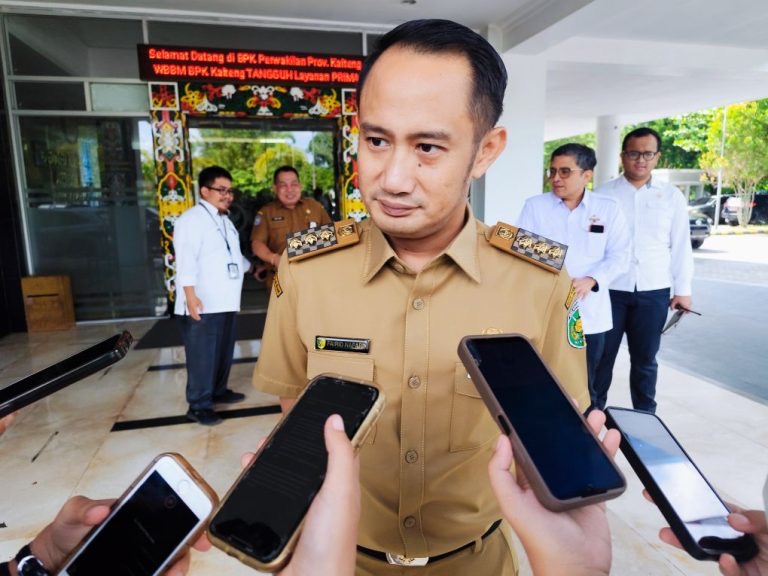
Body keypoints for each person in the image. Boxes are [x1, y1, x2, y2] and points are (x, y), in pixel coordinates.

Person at [252, 18, 588, 575]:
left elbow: (557, 432)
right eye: (376, 141)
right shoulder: (308, 270)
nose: (392, 179)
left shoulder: (539, 282)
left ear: (485, 151)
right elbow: (294, 411)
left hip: (478, 563)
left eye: (428, 147)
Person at [517, 144, 630, 408]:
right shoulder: (535, 206)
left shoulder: (608, 209)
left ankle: (589, 429)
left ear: (587, 175)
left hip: (590, 315)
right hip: (546, 311)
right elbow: (522, 250)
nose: (556, 178)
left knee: (589, 388)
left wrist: (592, 279)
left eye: (565, 172)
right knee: (544, 382)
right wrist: (553, 277)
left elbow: (621, 255)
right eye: (552, 171)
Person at [592, 127, 694, 413]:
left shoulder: (671, 196)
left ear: (657, 157)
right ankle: (591, 416)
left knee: (645, 361)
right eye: (634, 153)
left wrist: (683, 290)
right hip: (610, 290)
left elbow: (681, 245)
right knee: (601, 359)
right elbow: (592, 244)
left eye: (648, 154)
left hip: (653, 290)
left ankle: (645, 418)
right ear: (623, 156)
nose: (641, 160)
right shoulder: (603, 194)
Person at [173, 165, 248, 426]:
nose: (228, 195)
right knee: (202, 356)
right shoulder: (192, 219)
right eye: (221, 190)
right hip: (202, 303)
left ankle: (218, 391)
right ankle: (199, 405)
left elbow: (231, 256)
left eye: (230, 191)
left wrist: (253, 269)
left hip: (225, 301)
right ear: (204, 191)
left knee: (222, 352)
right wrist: (190, 296)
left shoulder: (224, 220)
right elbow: (185, 260)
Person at [250, 166, 332, 292]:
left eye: (294, 184)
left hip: (314, 277)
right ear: (275, 188)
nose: (290, 189)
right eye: (283, 185)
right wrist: (274, 258)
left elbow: (331, 234)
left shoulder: (315, 207)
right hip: (281, 278)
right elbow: (257, 243)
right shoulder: (266, 212)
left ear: (300, 186)